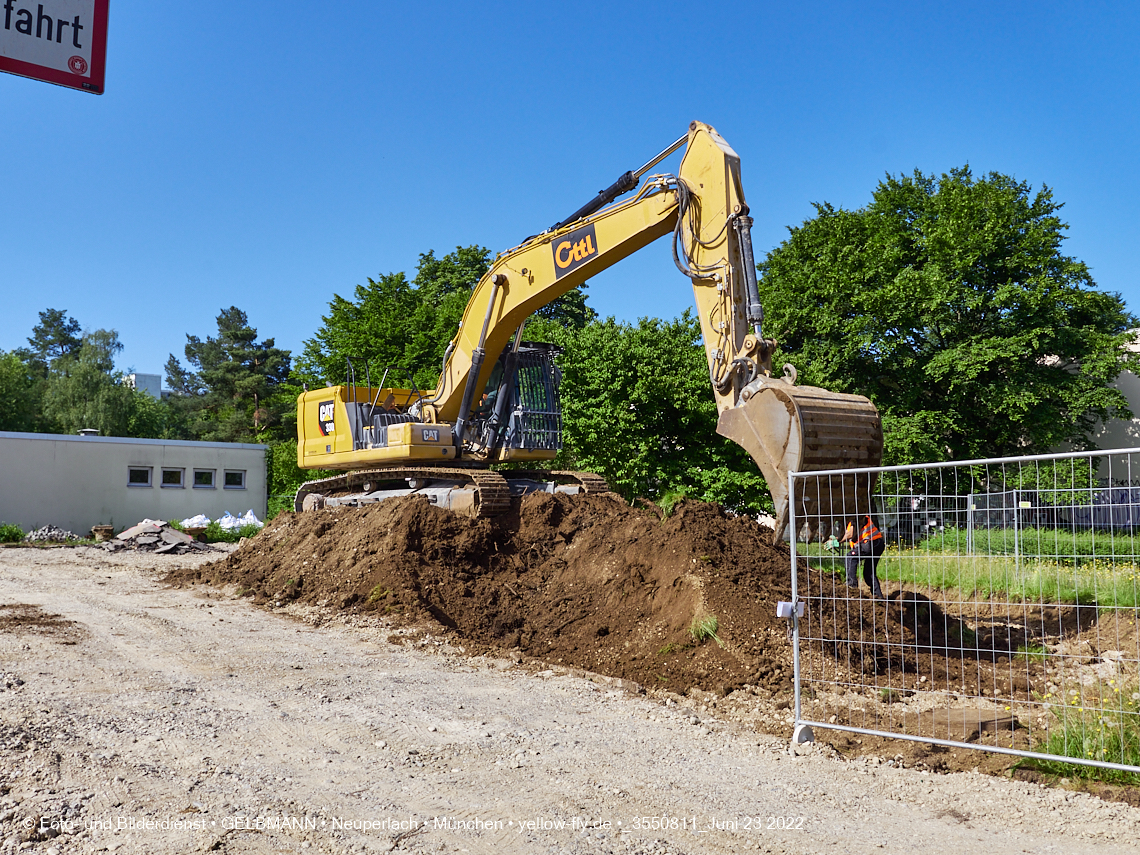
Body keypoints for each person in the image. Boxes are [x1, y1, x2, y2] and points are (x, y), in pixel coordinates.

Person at [840, 515, 886, 599]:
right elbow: (847, 534)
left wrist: (838, 541)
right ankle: (878, 596)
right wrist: (836, 539)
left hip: (870, 543)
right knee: (869, 573)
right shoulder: (854, 520)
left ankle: (851, 585)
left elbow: (850, 534)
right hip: (877, 543)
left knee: (850, 557)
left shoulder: (857, 517)